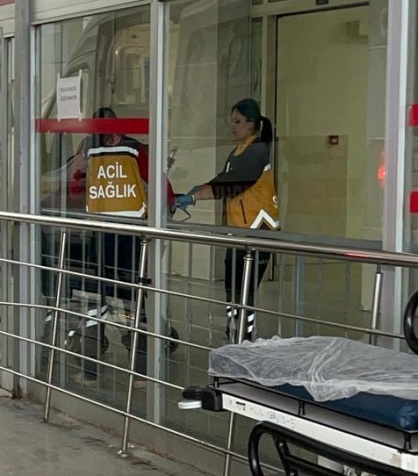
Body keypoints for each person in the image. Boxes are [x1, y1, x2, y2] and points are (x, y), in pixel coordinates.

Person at [79, 107, 176, 383]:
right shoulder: (127, 151)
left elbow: (161, 186)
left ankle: (137, 369)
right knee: (116, 298)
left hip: (122, 237)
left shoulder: (120, 151)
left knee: (122, 299)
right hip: (114, 236)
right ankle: (97, 368)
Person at [173, 98, 281, 341]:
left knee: (245, 292)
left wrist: (194, 196)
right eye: (232, 121)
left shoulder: (258, 151)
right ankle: (233, 334)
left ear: (251, 125)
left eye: (237, 122)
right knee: (233, 288)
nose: (233, 127)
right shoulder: (239, 150)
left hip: (258, 231)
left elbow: (231, 184)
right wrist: (197, 191)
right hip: (239, 230)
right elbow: (224, 178)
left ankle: (244, 338)